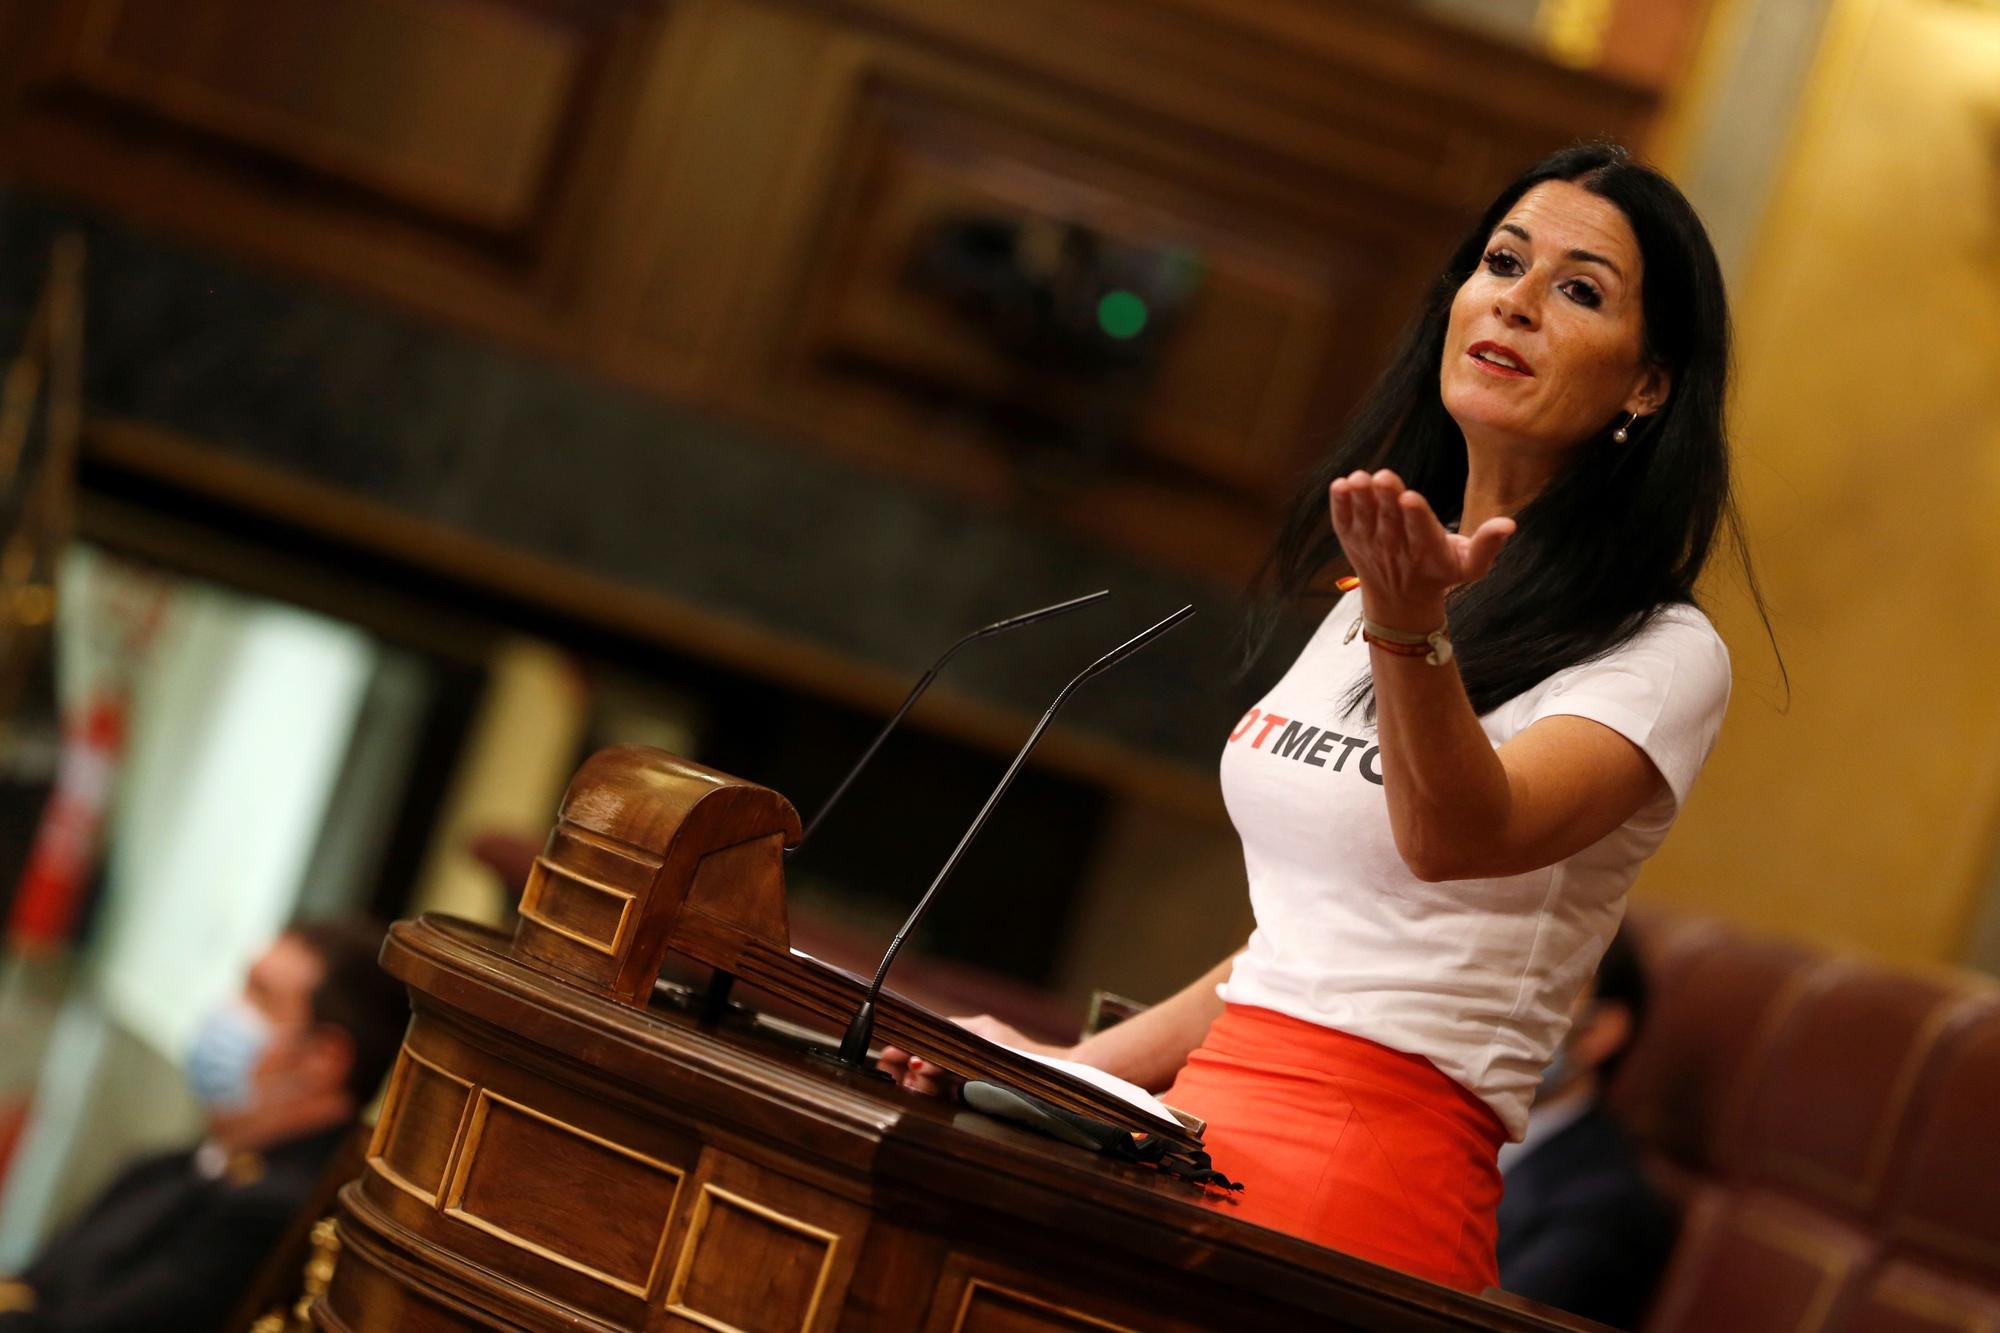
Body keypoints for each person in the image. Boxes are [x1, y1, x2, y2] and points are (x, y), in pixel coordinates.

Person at [885, 141, 1771, 1293]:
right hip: (1196, 1127)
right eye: (1501, 261)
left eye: (1578, 288)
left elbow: (1454, 837)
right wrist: (1064, 1071)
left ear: (1647, 383)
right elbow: (1297, 950)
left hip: (1363, 1172)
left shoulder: (1655, 651)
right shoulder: (1382, 583)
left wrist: (1410, 625)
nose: (1513, 298)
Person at [0, 919, 408, 1331]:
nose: (228, 1011)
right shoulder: (168, 1167)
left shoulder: (274, 1212)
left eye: (261, 997)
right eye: (242, 986)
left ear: (320, 1061)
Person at [1496, 929, 1674, 1328]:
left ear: (1598, 1033)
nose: (1500, 1009)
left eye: (1538, 992)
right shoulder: (1435, 1121)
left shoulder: (1603, 1206)